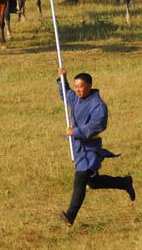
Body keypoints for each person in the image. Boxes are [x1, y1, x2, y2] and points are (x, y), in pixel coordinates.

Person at [56, 68, 135, 226]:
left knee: (80, 179)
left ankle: (70, 216)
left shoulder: (98, 105)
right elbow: (66, 94)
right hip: (79, 147)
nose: (78, 89)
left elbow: (96, 126)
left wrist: (75, 131)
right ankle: (124, 182)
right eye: (76, 86)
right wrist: (62, 79)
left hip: (90, 149)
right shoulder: (76, 98)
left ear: (90, 86)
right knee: (94, 182)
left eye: (81, 86)